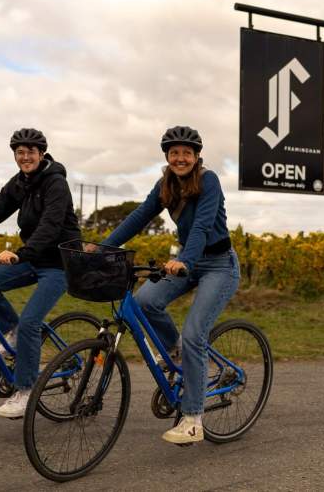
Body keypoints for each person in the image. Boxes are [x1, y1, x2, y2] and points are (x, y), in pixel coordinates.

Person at [102, 125, 239, 444]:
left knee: (195, 334)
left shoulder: (209, 180)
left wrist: (186, 260)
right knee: (143, 302)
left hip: (218, 264)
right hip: (187, 262)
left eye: (186, 153)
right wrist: (105, 247)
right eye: (174, 153)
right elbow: (139, 217)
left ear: (196, 157)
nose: (180, 158)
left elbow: (203, 226)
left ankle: (193, 419)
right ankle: (176, 352)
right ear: (167, 156)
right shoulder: (165, 185)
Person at [0, 128, 80, 418]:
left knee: (32, 322)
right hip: (33, 258)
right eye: (19, 152)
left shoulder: (56, 183)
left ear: (42, 154)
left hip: (59, 263)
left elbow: (50, 225)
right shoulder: (20, 183)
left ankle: (25, 391)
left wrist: (21, 253)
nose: (25, 157)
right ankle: (12, 332)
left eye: (30, 152)